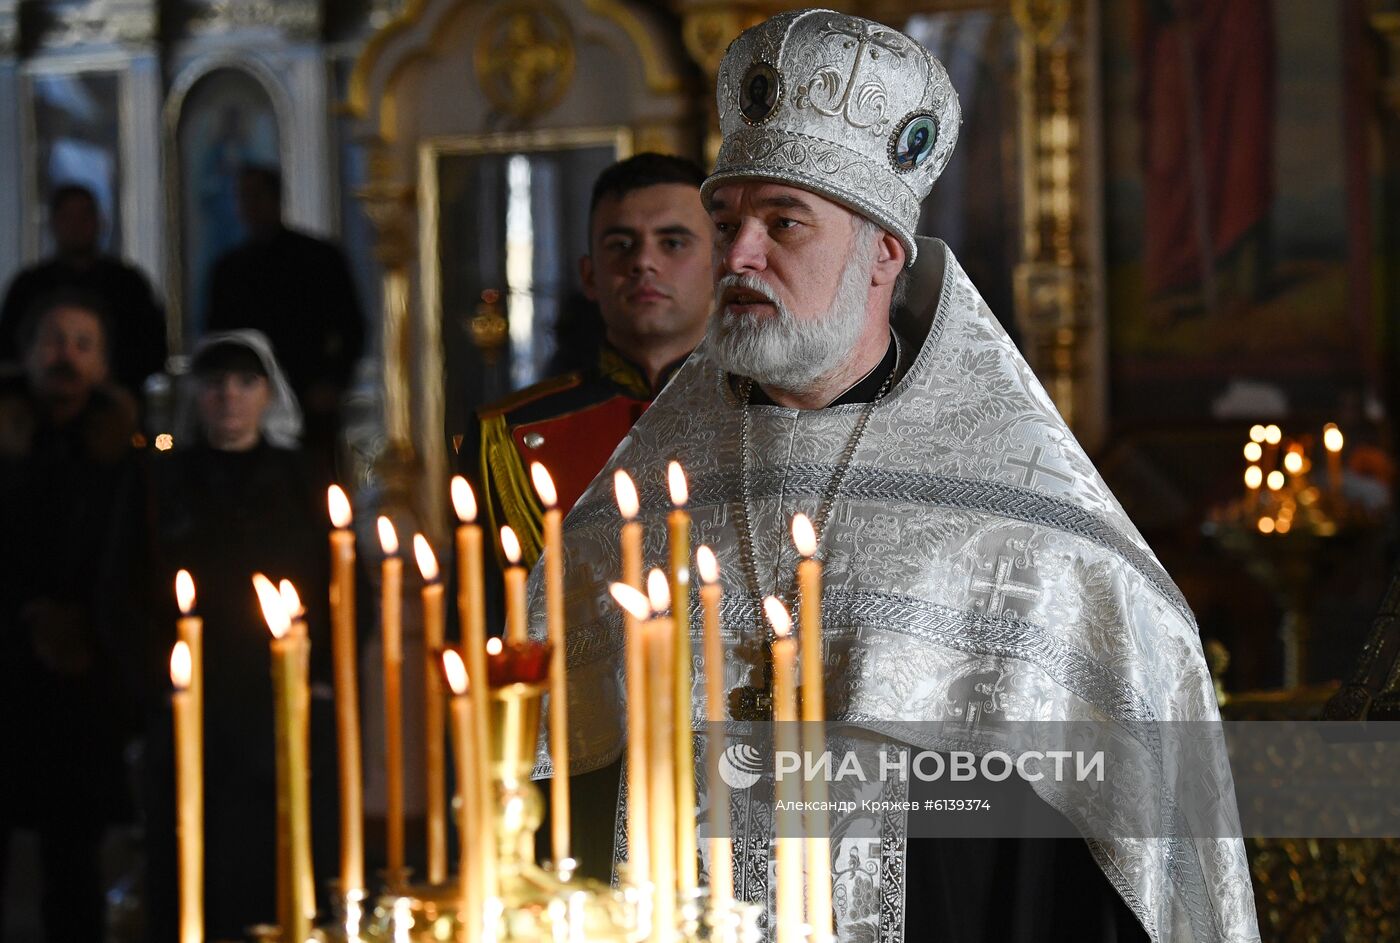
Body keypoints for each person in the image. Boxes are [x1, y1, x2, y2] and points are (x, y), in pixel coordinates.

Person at [535, 11, 1259, 943]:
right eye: (726, 223)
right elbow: (560, 779)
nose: (740, 255)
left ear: (884, 251)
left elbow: (1110, 811)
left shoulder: (1023, 520)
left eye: (782, 222)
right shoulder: (645, 501)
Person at [99, 331, 335, 941]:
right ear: (195, 396)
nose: (228, 396)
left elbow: (333, 582)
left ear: (266, 394)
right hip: (185, 696)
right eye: (214, 383)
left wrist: (323, 677)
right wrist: (152, 682)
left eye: (244, 383)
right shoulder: (158, 478)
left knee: (275, 848)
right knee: (187, 851)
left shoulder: (300, 475)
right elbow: (122, 586)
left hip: (277, 694)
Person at [465, 153, 713, 569]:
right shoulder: (505, 435)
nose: (643, 262)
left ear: (720, 267)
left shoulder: (773, 416)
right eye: (621, 245)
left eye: (672, 243)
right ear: (590, 276)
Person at [0, 290, 138, 942]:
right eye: (53, 341)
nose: (65, 357)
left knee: (73, 847)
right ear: (26, 354)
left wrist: (81, 626)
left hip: (85, 673)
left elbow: (127, 553)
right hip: (8, 661)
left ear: (103, 364)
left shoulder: (125, 452)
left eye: (83, 344)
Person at [205, 164, 366, 473]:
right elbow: (218, 340)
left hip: (310, 395)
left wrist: (333, 383)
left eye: (257, 196)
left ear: (275, 199)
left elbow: (351, 327)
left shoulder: (319, 258)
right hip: (247, 403)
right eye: (244, 198)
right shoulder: (229, 270)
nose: (249, 206)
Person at [0, 185, 167, 400]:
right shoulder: (28, 286)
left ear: (99, 221)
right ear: (54, 223)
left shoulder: (129, 284)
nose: (76, 225)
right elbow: (9, 353)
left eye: (84, 215)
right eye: (67, 216)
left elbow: (152, 351)